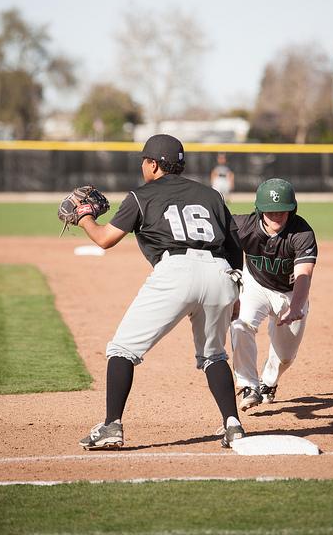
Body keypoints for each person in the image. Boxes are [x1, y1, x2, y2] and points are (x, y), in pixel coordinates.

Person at [75, 134, 246, 449]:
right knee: (214, 355)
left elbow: (104, 239)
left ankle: (112, 425)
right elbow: (234, 246)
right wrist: (236, 290)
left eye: (144, 160)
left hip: (176, 272)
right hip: (220, 274)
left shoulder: (142, 195)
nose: (142, 165)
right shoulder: (211, 194)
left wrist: (84, 217)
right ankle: (233, 424)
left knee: (122, 349)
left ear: (153, 164)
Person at [230, 178, 317, 411]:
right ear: (259, 211)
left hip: (290, 293)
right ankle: (248, 385)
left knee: (286, 356)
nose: (276, 216)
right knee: (240, 324)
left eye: (282, 211)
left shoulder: (302, 233)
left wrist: (297, 305)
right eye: (270, 211)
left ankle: (268, 382)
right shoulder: (243, 225)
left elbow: (304, 274)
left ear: (292, 209)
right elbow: (214, 231)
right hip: (255, 285)